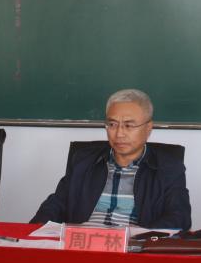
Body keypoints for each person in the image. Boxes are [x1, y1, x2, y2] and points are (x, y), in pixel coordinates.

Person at [32, 88, 191, 229]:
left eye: (129, 126)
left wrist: (138, 237)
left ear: (148, 128)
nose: (119, 134)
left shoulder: (169, 168)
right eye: (112, 125)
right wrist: (36, 231)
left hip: (132, 247)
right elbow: (54, 206)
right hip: (83, 243)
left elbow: (179, 218)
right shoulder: (83, 161)